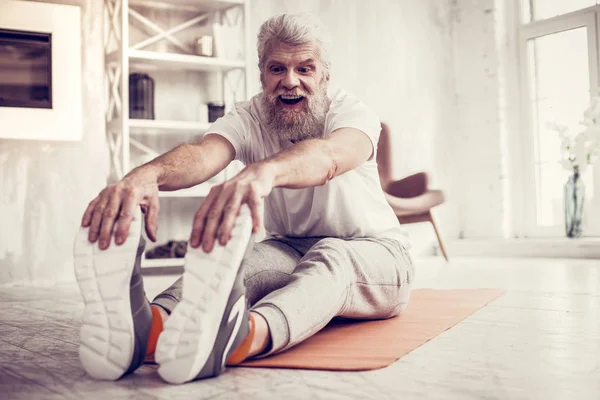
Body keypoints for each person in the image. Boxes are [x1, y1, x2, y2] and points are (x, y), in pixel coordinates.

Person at [73, 13, 414, 384]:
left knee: (332, 257)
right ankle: (152, 328)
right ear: (262, 74)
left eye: (304, 68)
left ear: (325, 76)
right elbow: (203, 154)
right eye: (277, 68)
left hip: (376, 252)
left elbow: (329, 157)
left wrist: (263, 172)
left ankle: (240, 337)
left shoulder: (353, 113)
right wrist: (145, 176)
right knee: (246, 263)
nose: (290, 81)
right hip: (289, 246)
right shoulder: (250, 116)